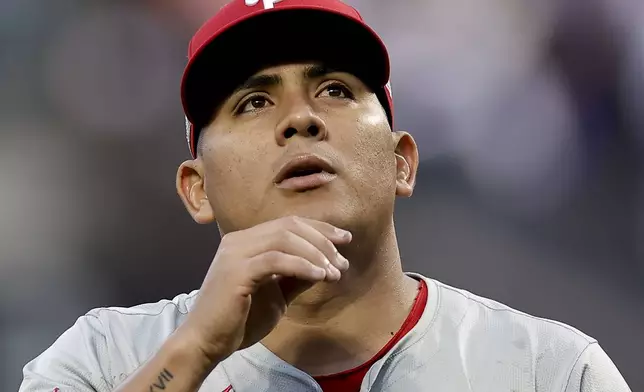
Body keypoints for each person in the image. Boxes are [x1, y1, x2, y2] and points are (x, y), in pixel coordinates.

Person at [19, 0, 632, 391]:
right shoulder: (101, 357)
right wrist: (197, 351)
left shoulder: (550, 371)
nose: (300, 120)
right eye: (254, 102)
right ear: (196, 189)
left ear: (402, 162)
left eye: (336, 90)